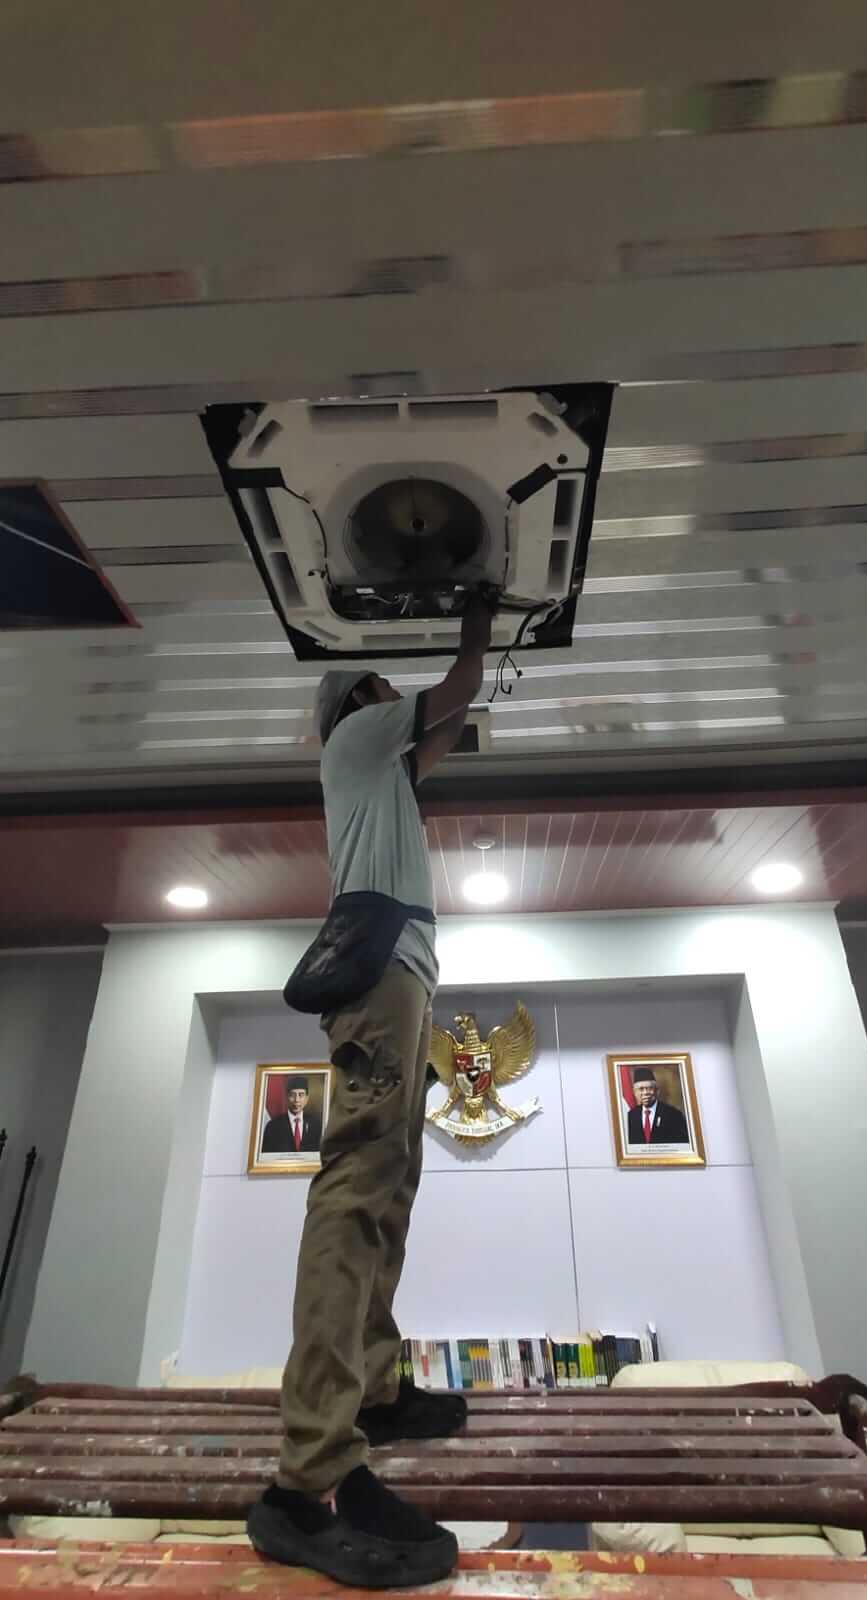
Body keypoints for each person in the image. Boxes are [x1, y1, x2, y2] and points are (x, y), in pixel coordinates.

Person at [248, 594, 494, 1587]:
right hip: (386, 972)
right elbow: (459, 692)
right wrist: (478, 623)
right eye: (386, 686)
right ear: (360, 699)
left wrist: (475, 666)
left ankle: (376, 1392)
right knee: (356, 1191)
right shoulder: (355, 736)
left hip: (406, 976)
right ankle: (309, 1474)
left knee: (388, 1190)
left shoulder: (385, 773)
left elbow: (444, 731)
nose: (397, 695)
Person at [627, 1067, 690, 1146]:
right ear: (634, 1093)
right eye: (641, 1089)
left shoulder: (674, 1115)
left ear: (657, 1091)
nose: (645, 1093)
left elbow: (682, 1145)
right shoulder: (630, 1116)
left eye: (650, 1088)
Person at [261, 1077, 322, 1155]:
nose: (297, 1100)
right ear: (286, 1097)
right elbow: (266, 1157)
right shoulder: (272, 1126)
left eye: (301, 1095)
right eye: (292, 1095)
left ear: (307, 1098)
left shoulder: (316, 1124)